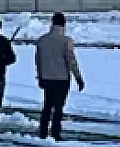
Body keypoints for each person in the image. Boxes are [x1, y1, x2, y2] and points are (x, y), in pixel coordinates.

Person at [34, 12, 86, 140]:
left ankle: (43, 131)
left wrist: (40, 76)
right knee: (58, 108)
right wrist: (78, 77)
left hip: (46, 78)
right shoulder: (66, 41)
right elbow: (71, 60)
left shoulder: (42, 40)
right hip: (62, 79)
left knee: (47, 106)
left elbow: (38, 61)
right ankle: (55, 132)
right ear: (64, 24)